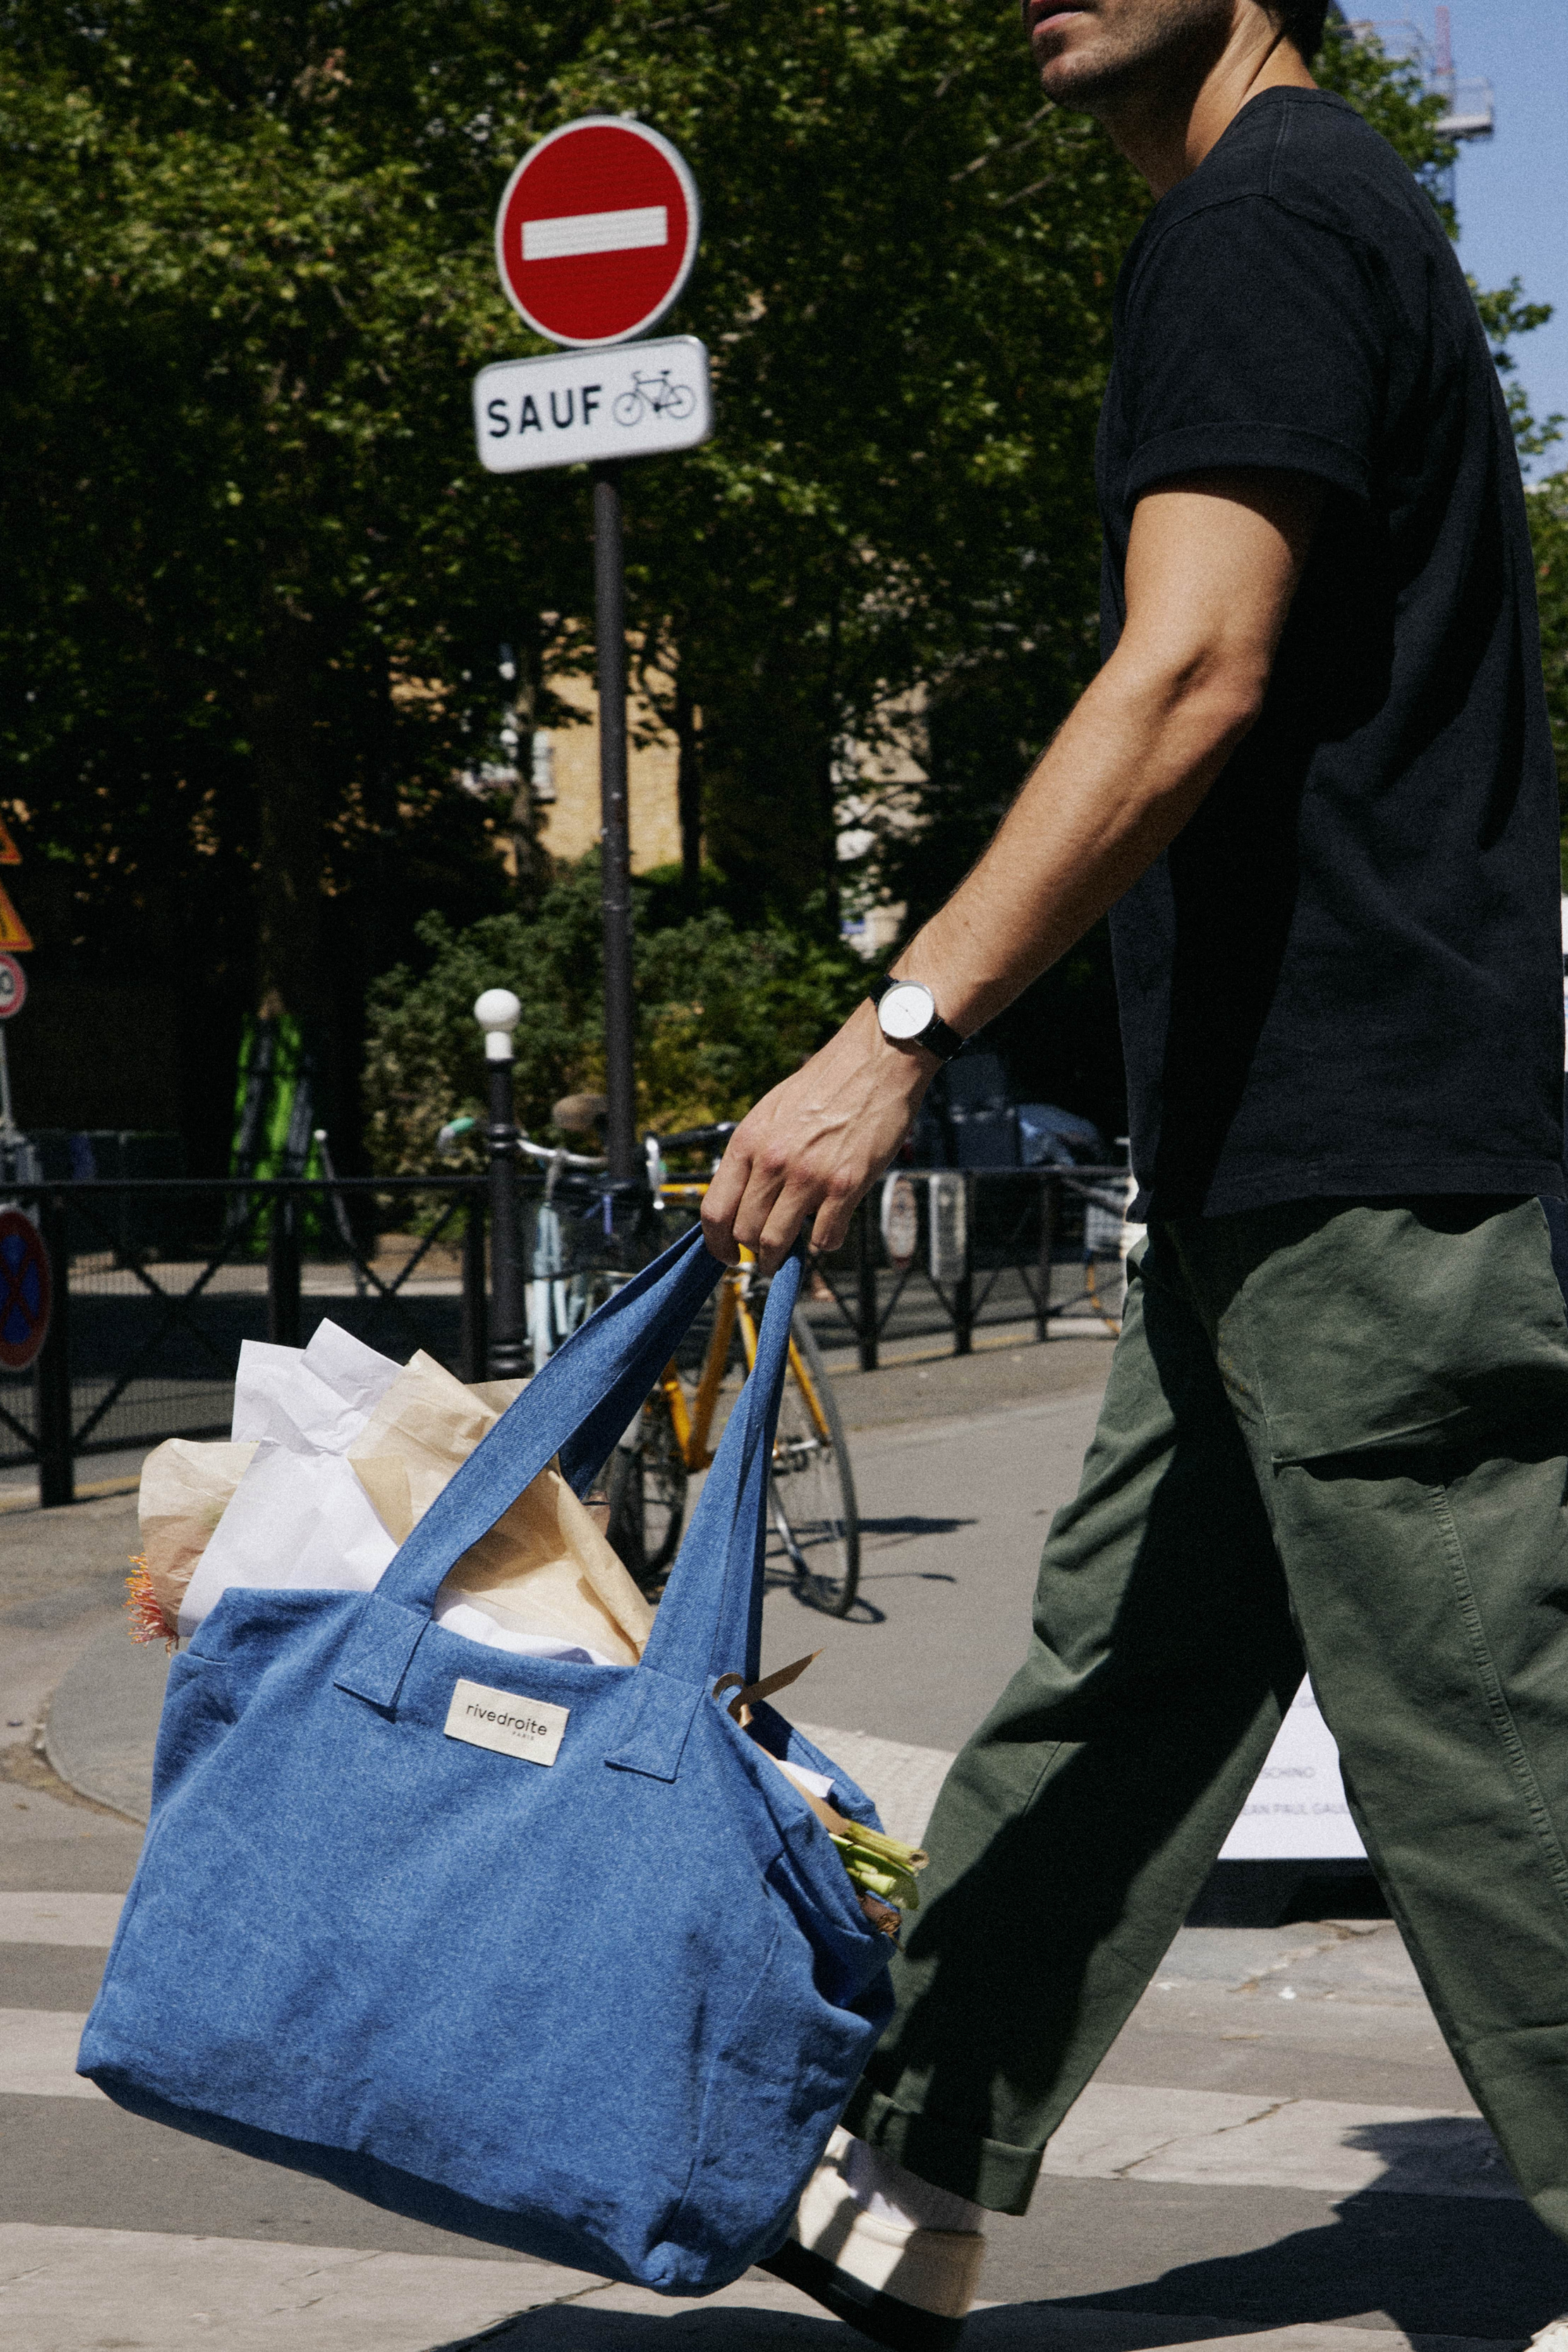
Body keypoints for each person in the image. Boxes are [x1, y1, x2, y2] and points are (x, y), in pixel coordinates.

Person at [700, 0, 1566, 2343]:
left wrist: (900, 1030)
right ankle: (914, 2169)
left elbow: (1192, 674)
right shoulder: (1316, 210)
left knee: (1476, 1719)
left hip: (1363, 1156)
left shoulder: (1259, 226)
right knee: (1126, 1678)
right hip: (1282, 1157)